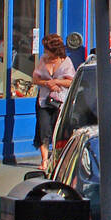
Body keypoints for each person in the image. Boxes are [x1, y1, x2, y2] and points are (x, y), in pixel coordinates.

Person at [32, 33, 75, 170]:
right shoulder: (43, 60)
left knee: (58, 130)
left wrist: (57, 81)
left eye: (47, 49)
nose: (45, 51)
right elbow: (35, 79)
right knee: (43, 129)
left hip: (60, 101)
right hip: (44, 100)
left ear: (54, 49)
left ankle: (57, 158)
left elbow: (71, 81)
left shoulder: (65, 61)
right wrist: (47, 83)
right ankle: (44, 160)